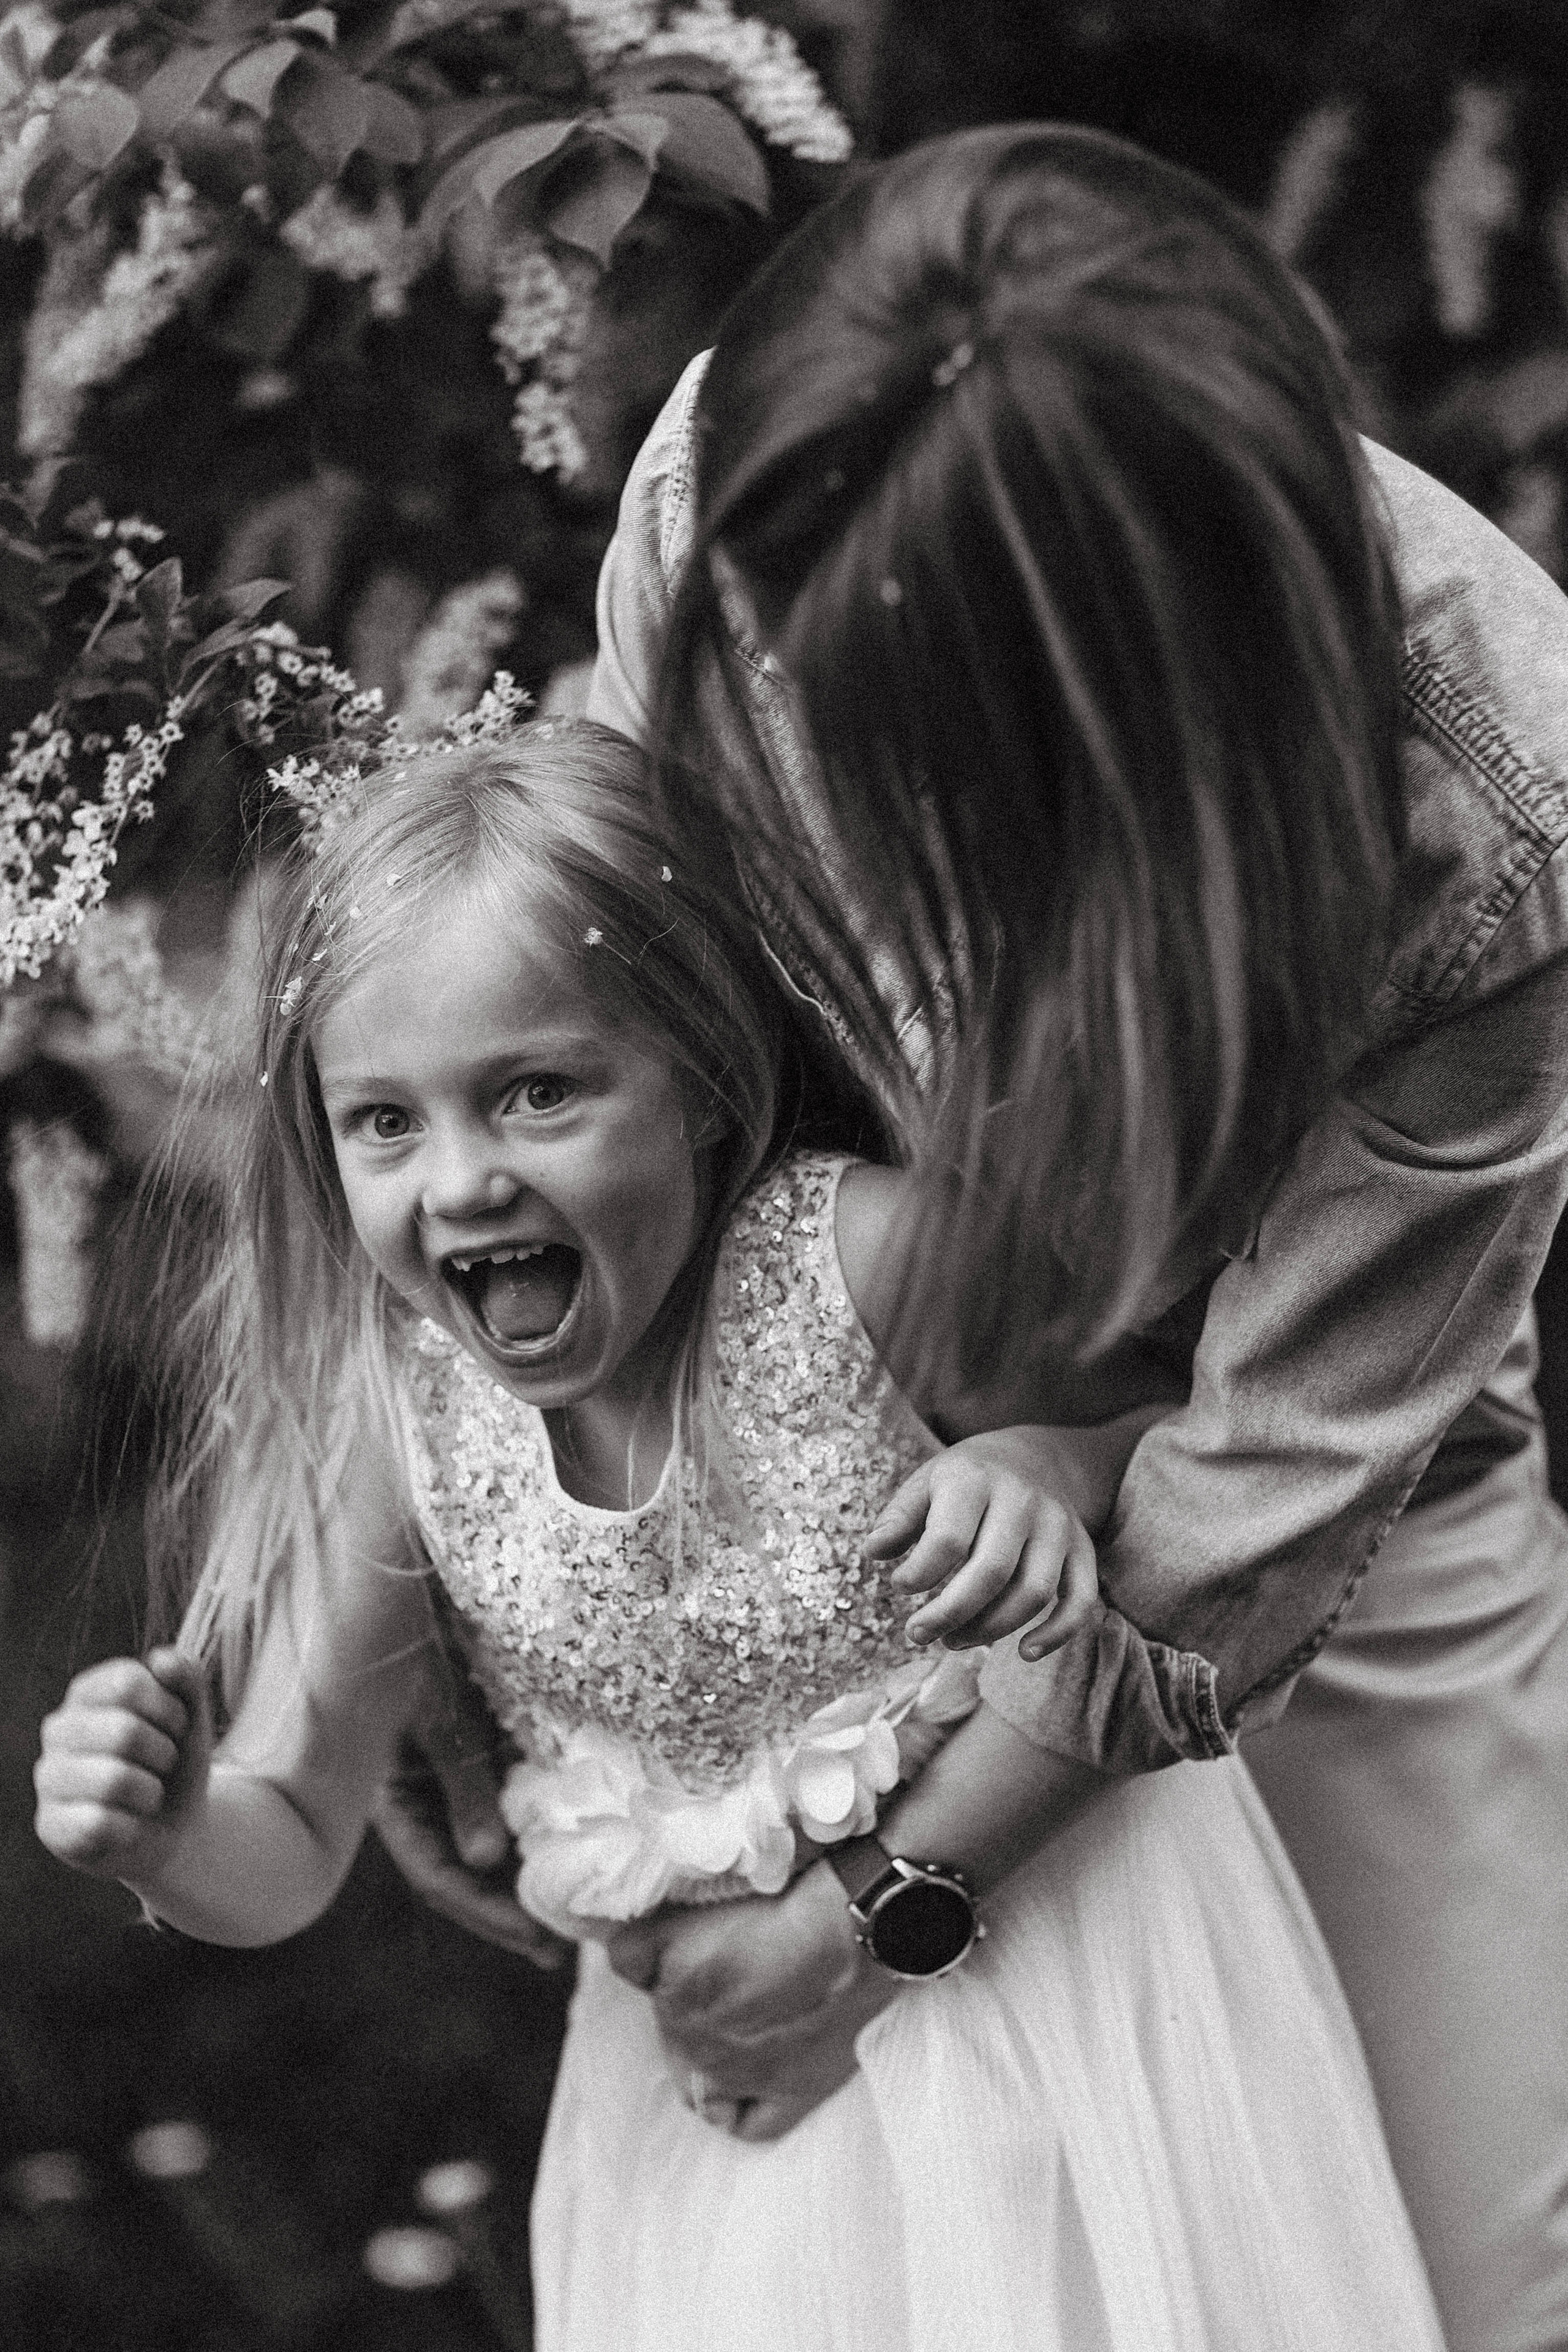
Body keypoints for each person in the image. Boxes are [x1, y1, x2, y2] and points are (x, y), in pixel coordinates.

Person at [34, 723, 1444, 2351]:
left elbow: (1192, 1460)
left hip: (1067, 1993)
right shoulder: (399, 1417)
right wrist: (162, 1831)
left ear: (705, 1078)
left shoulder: (871, 1261)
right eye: (385, 1123)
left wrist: (1053, 1469)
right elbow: (289, 1829)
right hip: (728, 2113)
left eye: (538, 1092)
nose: (463, 1180)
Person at [563, 124, 1567, 2352]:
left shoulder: (1498, 801)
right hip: (859, 1486)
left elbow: (1265, 1507)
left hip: (1340, 1529)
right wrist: (549, 1651)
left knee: (1463, 2267)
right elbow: (623, 1056)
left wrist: (880, 1912)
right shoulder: (732, 497)